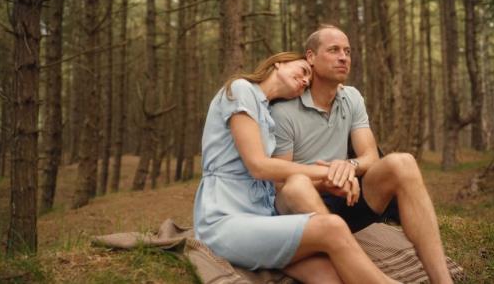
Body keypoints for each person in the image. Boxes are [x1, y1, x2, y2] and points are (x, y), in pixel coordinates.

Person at [193, 51, 400, 283]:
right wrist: (330, 171)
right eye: (303, 71)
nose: (304, 81)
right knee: (331, 226)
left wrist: (330, 183)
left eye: (307, 82)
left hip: (265, 218)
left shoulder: (268, 115)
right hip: (226, 219)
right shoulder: (242, 89)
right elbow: (258, 166)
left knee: (330, 274)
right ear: (279, 63)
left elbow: (275, 180)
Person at [271, 25, 454, 284]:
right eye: (333, 50)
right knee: (296, 185)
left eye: (347, 51)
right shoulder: (284, 111)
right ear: (310, 57)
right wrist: (327, 177)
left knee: (403, 162)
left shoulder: (352, 97)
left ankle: (443, 280)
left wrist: (348, 166)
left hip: (345, 198)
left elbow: (370, 157)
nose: (343, 57)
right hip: (301, 213)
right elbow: (279, 183)